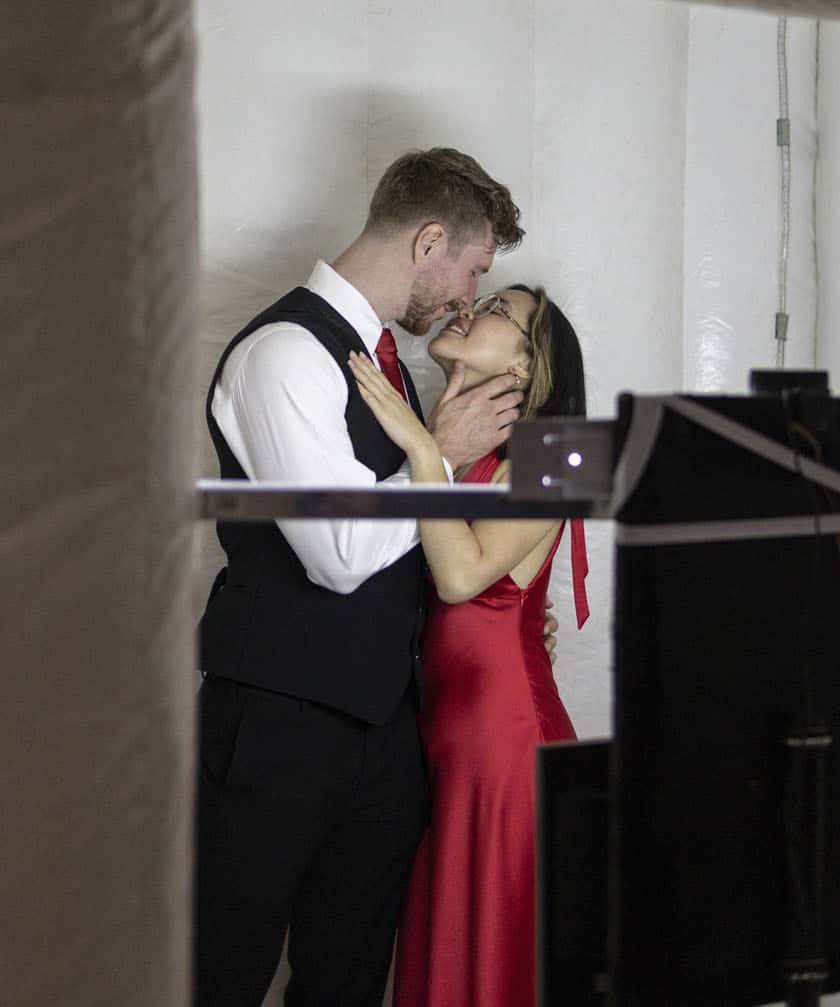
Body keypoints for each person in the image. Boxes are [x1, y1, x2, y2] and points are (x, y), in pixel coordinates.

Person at [196, 148, 541, 1007]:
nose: (466, 295)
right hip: (279, 726)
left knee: (345, 983)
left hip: (387, 736)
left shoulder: (392, 366)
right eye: (472, 271)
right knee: (220, 973)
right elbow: (339, 554)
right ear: (429, 242)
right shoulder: (285, 351)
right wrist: (441, 453)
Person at [349, 285, 589, 1006]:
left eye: (497, 310)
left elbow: (457, 577)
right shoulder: (467, 452)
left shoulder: (557, 457)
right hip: (447, 746)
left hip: (506, 748)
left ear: (524, 365)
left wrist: (425, 447)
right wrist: (439, 440)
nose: (470, 309)